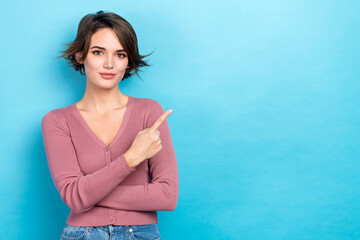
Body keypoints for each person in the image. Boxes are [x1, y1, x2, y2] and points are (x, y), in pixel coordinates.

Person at [41, 10, 179, 240]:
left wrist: (85, 195)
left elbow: (167, 195)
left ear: (128, 61)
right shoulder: (57, 121)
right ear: (80, 55)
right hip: (81, 234)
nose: (109, 64)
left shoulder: (150, 112)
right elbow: (74, 197)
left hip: (141, 234)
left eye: (120, 54)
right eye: (98, 52)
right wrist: (132, 158)